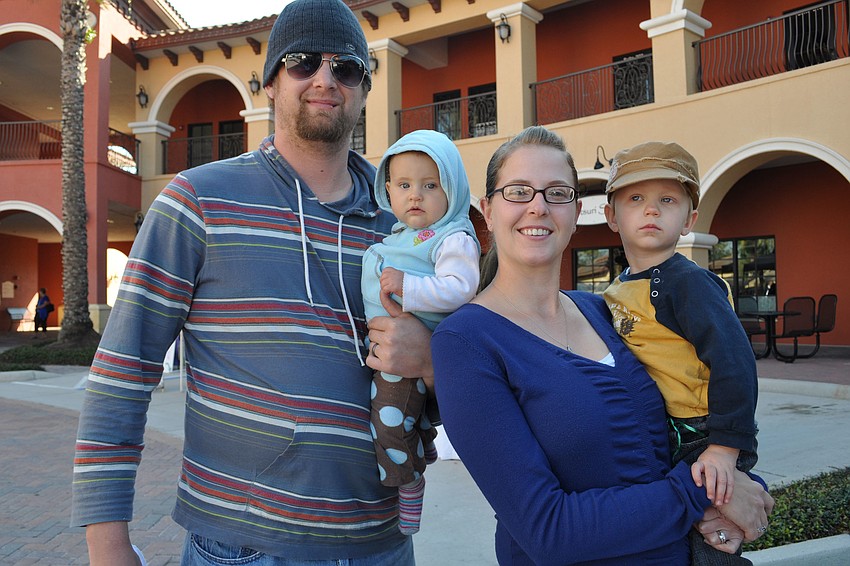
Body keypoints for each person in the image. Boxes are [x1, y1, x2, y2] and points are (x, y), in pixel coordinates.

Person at [71, 1, 433, 564]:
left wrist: (431, 359)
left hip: (380, 545)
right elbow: (123, 371)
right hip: (242, 547)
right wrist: (106, 543)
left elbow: (455, 384)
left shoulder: (404, 231)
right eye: (303, 61)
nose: (324, 79)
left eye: (346, 68)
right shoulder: (196, 202)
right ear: (269, 82)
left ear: (364, 87)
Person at [430, 126, 773, 565]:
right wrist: (704, 489)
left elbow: (692, 412)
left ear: (576, 212)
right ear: (488, 210)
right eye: (518, 191)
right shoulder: (466, 342)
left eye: (557, 192)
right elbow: (548, 531)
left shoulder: (606, 310)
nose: (537, 206)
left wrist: (741, 484)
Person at [602, 142, 759, 563]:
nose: (651, 210)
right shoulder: (616, 289)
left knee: (713, 534)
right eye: (636, 199)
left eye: (667, 200)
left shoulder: (687, 283)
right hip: (664, 430)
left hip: (704, 432)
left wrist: (725, 447)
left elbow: (734, 361)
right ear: (611, 216)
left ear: (689, 219)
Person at [362, 129, 480, 535]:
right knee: (396, 415)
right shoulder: (402, 236)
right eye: (405, 185)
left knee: (388, 424)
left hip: (410, 358)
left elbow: (461, 287)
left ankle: (408, 482)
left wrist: (407, 287)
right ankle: (423, 442)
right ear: (388, 191)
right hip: (391, 353)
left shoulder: (454, 236)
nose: (416, 195)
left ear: (453, 189)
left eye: (431, 185)